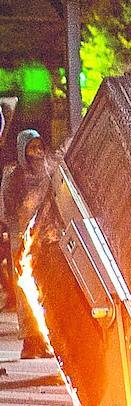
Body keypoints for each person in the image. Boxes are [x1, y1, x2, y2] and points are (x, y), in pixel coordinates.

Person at [1, 129, 56, 359]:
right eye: (32, 148)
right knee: (25, 294)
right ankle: (29, 342)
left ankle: (43, 340)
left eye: (39, 147)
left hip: (42, 241)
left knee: (44, 292)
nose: (37, 153)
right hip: (21, 240)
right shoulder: (14, 176)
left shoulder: (47, 174)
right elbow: (8, 210)